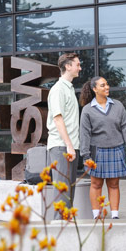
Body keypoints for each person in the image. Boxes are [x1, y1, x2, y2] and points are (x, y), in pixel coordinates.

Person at [79, 77, 126, 219]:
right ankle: (96, 215)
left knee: (114, 184)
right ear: (95, 89)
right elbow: (84, 134)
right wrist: (85, 155)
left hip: (116, 149)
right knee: (96, 184)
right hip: (96, 152)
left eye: (107, 84)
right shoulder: (87, 110)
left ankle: (115, 215)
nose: (107, 87)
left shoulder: (118, 106)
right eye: (103, 85)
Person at [46, 52, 81, 206]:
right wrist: (69, 145)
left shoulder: (69, 89)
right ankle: (58, 228)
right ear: (68, 66)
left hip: (69, 146)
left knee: (68, 196)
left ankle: (66, 228)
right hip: (62, 147)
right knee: (62, 195)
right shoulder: (59, 89)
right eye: (77, 65)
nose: (80, 68)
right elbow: (57, 118)